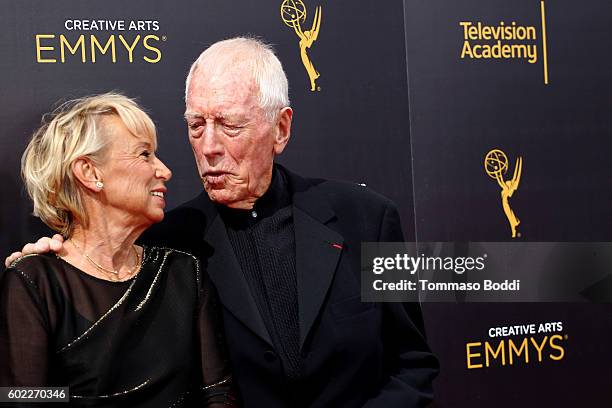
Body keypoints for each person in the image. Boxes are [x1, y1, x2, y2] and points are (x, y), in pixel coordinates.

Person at [7, 37, 439, 407]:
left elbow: (414, 364)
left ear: (280, 129)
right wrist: (46, 267)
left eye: (230, 125)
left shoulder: (368, 218)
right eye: (196, 126)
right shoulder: (169, 245)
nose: (208, 147)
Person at [0, 94, 237, 407]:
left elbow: (218, 394)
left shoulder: (183, 271)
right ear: (90, 173)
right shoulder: (34, 281)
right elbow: (21, 398)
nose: (165, 171)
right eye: (144, 155)